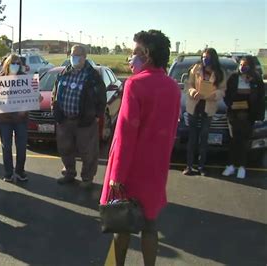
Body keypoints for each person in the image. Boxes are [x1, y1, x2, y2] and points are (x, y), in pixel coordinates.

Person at [100, 30, 181, 266]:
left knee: (121, 225)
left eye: (134, 52)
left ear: (146, 54)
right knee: (150, 225)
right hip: (156, 168)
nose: (130, 57)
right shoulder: (172, 87)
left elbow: (126, 133)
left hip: (131, 168)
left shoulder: (135, 84)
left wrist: (117, 174)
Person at [52, 45, 106, 189]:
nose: (74, 58)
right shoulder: (64, 72)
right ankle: (69, 173)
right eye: (72, 55)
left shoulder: (93, 75)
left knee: (87, 151)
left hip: (85, 121)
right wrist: (55, 108)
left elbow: (101, 97)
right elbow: (55, 92)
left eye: (77, 55)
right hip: (64, 120)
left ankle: (87, 178)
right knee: (65, 148)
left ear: (84, 57)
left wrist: (96, 115)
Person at [183, 48, 226, 176]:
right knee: (192, 138)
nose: (204, 59)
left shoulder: (220, 72)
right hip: (194, 107)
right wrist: (192, 92)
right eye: (203, 57)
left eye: (207, 57)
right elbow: (188, 85)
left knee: (204, 137)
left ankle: (201, 167)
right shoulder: (196, 69)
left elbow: (222, 90)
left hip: (208, 108)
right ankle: (189, 166)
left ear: (213, 58)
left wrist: (215, 95)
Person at [223, 56, 265, 179]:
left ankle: (241, 167)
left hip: (248, 115)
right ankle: (231, 166)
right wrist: (231, 104)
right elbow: (226, 94)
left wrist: (257, 114)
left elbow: (260, 98)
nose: (242, 67)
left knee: (244, 141)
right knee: (234, 141)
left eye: (245, 65)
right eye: (241, 65)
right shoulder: (233, 77)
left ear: (250, 66)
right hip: (234, 114)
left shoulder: (256, 79)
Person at [0, 54, 29, 182]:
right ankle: (8, 173)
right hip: (4, 119)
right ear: (7, 64)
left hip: (21, 118)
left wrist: (34, 100)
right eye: (12, 63)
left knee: (21, 146)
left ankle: (20, 171)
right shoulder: (0, 79)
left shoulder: (25, 78)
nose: (15, 65)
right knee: (6, 147)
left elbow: (30, 96)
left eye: (17, 63)